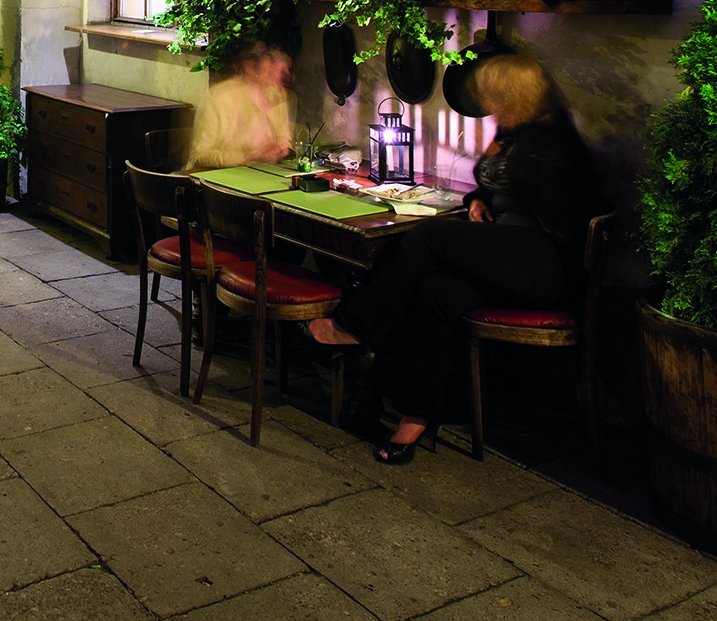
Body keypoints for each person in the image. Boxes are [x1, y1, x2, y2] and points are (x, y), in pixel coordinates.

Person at [309, 55, 607, 463]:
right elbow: (490, 181)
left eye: (497, 97)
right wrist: (477, 199)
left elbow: (508, 176)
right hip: (510, 256)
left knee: (428, 235)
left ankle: (353, 326)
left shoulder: (552, 138)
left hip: (547, 263)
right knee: (434, 292)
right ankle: (415, 417)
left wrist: (493, 164)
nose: (490, 105)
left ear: (520, 96)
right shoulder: (518, 133)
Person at [185, 43, 293, 169]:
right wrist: (247, 157)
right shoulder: (219, 97)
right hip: (220, 175)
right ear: (238, 65)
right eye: (251, 57)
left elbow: (284, 138)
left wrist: (282, 148)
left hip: (264, 172)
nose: (259, 62)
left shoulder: (276, 94)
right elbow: (199, 155)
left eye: (264, 56)